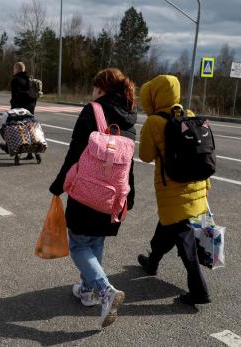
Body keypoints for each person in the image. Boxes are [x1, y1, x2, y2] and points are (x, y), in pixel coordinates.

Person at [49, 68, 137, 328]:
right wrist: (129, 196)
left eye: (94, 87)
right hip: (113, 196)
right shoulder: (131, 116)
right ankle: (87, 291)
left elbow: (75, 152)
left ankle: (105, 290)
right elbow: (129, 163)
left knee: (77, 244)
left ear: (101, 88)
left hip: (86, 192)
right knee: (95, 240)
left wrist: (58, 185)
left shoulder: (93, 110)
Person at [136, 75, 211, 306]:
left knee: (184, 239)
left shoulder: (153, 122)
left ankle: (199, 291)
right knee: (166, 227)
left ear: (154, 95)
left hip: (172, 190)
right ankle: (152, 262)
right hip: (196, 186)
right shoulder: (188, 115)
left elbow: (145, 156)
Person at [1, 62, 38, 159]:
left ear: (16, 69)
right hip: (30, 110)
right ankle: (30, 153)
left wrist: (12, 110)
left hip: (19, 109)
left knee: (9, 126)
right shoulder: (30, 79)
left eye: (14, 69)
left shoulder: (15, 80)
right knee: (29, 128)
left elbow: (15, 96)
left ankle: (9, 146)